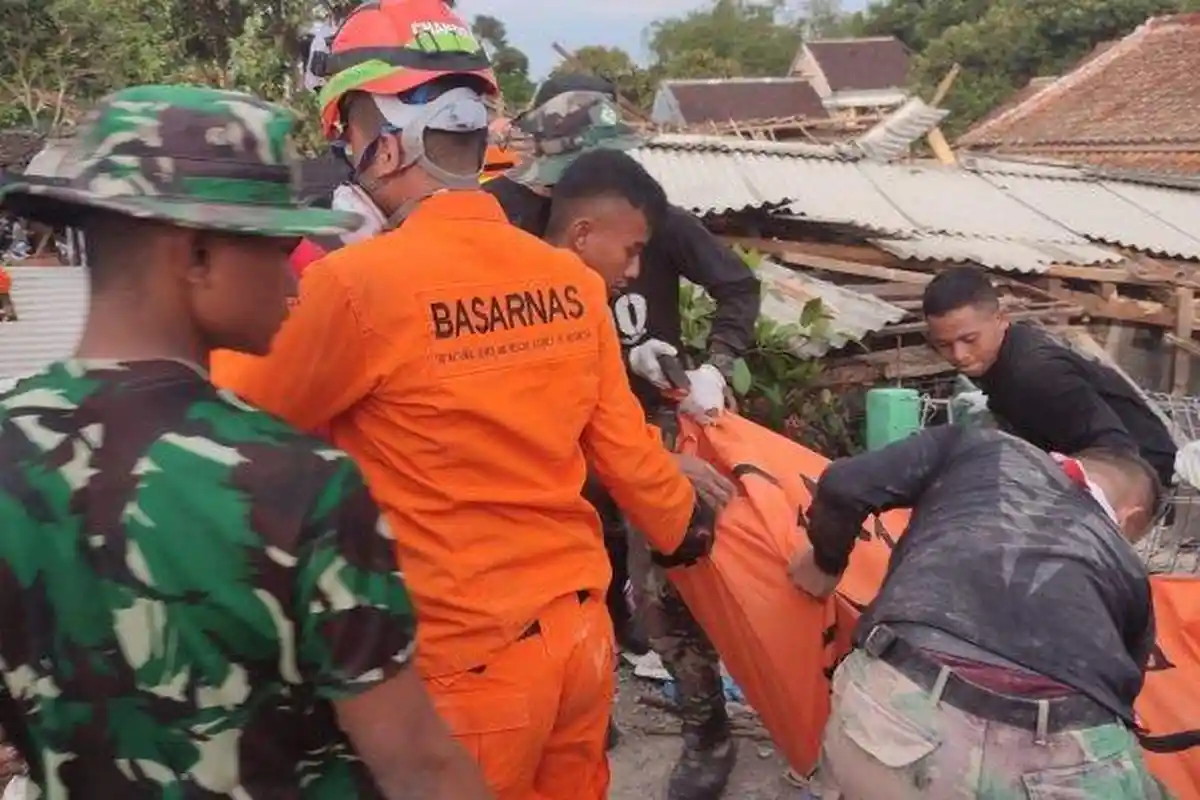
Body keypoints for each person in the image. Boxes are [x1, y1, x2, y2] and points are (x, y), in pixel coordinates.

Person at [209, 2, 716, 798]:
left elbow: (226, 423)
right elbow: (628, 456)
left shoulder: (357, 286)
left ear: (385, 140)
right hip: (580, 647)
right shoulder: (568, 280)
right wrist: (685, 529)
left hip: (465, 669)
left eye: (348, 136)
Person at [0, 84, 491, 799]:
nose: (295, 279)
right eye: (278, 245)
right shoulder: (293, 481)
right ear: (197, 255)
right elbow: (417, 763)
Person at [487, 75, 759, 799]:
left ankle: (707, 734)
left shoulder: (641, 212)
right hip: (550, 428)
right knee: (570, 581)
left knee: (666, 585)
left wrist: (714, 365)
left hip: (647, 425)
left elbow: (737, 286)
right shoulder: (504, 216)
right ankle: (583, 708)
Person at [789, 424, 1166, 798]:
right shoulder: (1130, 573)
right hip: (1066, 762)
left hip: (901, 717)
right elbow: (1121, 698)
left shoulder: (980, 445)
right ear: (1130, 518)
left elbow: (844, 484)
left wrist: (826, 562)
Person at [923, 266, 1177, 492]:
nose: (959, 355)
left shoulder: (1036, 373)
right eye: (943, 345)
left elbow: (1116, 449)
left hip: (1139, 484)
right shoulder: (1002, 362)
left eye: (969, 340)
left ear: (1001, 319)